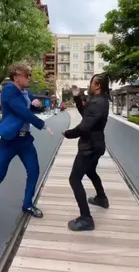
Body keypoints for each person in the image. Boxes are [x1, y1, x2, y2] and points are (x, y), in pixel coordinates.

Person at [0, 62, 53, 218]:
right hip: (9, 141)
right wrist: (42, 124)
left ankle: (27, 205)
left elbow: (35, 106)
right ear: (16, 77)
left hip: (24, 141)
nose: (29, 78)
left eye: (30, 75)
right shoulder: (9, 91)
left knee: (34, 171)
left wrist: (37, 104)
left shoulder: (25, 93)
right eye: (26, 75)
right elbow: (23, 112)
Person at [62, 73, 110, 231]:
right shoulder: (98, 101)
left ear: (97, 86)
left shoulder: (98, 103)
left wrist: (68, 133)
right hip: (95, 145)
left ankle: (86, 218)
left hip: (89, 147)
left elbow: (84, 126)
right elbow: (86, 114)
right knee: (90, 171)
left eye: (91, 83)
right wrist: (77, 97)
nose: (89, 85)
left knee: (74, 179)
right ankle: (101, 198)